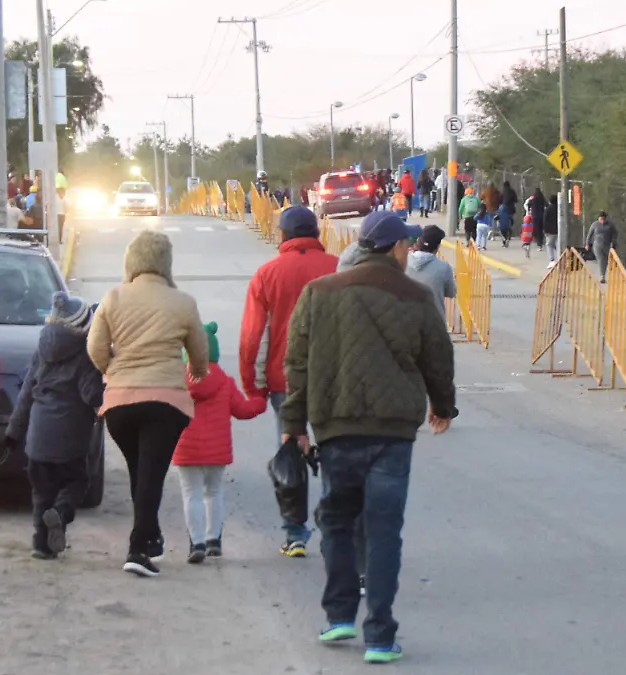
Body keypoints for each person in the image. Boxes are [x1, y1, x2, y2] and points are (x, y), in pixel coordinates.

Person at [281, 211, 456, 664]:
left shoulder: (318, 293)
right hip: (392, 432)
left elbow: (295, 364)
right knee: (383, 530)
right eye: (405, 246)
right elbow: (438, 356)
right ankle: (379, 635)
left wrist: (293, 425)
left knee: (336, 518)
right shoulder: (414, 296)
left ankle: (339, 615)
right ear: (396, 248)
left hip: (335, 426)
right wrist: (443, 406)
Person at [88, 230, 211, 578]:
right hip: (164, 403)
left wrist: (113, 370)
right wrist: (197, 371)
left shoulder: (112, 298)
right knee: (151, 476)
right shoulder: (182, 302)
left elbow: (95, 348)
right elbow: (199, 354)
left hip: (120, 404)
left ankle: (150, 537)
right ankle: (138, 549)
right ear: (165, 264)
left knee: (140, 471)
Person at [239, 206, 338, 557]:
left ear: (282, 235)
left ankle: (295, 533)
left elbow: (254, 336)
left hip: (286, 382)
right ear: (316, 234)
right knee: (334, 450)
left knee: (290, 451)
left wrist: (254, 383)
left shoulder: (267, 274)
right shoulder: (339, 268)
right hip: (335, 378)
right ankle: (334, 529)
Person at [6, 292, 104, 560]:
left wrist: (13, 431)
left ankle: (41, 545)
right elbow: (91, 395)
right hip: (70, 438)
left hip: (37, 438)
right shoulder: (85, 356)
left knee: (41, 492)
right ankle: (60, 514)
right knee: (76, 482)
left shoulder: (41, 351)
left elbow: (26, 393)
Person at [174, 322, 267, 563]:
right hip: (217, 452)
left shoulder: (176, 381)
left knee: (191, 494)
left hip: (186, 449)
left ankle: (196, 543)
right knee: (213, 492)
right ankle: (213, 539)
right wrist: (260, 400)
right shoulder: (224, 381)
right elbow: (243, 410)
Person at [407, 225, 457, 314]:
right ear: (438, 246)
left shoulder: (403, 261)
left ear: (418, 241)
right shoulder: (444, 267)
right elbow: (451, 293)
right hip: (435, 322)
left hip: (408, 320)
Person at [586, 211, 617, 282]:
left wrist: (613, 243)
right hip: (597, 246)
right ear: (598, 218)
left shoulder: (610, 225)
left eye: (604, 219)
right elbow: (589, 234)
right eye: (601, 219)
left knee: (605, 261)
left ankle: (601, 273)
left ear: (606, 219)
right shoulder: (594, 225)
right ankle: (602, 277)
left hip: (607, 245)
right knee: (601, 260)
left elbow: (615, 234)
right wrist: (587, 243)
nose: (602, 221)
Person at [544, 194, 560, 268]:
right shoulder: (559, 208)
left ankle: (552, 260)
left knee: (549, 244)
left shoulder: (548, 209)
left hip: (550, 231)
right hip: (558, 229)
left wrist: (545, 230)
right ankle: (559, 259)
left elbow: (545, 220)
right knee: (556, 244)